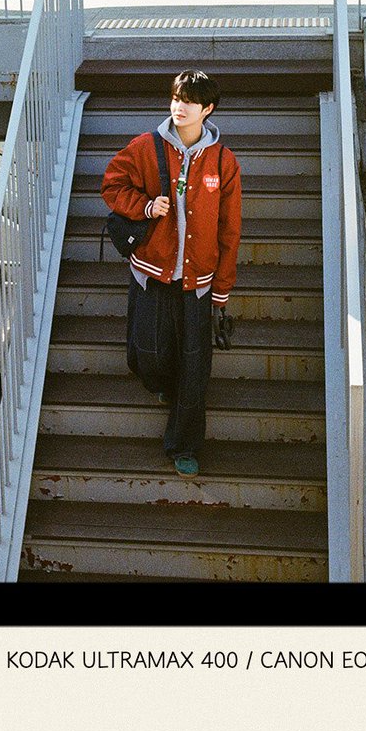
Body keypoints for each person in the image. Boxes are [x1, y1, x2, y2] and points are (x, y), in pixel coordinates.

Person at [100, 70, 242, 479]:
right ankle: (162, 384)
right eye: (177, 98)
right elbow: (111, 185)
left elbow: (230, 230)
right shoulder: (146, 147)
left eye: (190, 101)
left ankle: (184, 445)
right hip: (151, 273)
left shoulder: (223, 161)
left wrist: (222, 289)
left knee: (194, 370)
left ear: (207, 109)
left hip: (198, 282)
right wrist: (145, 207)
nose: (180, 106)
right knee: (146, 355)